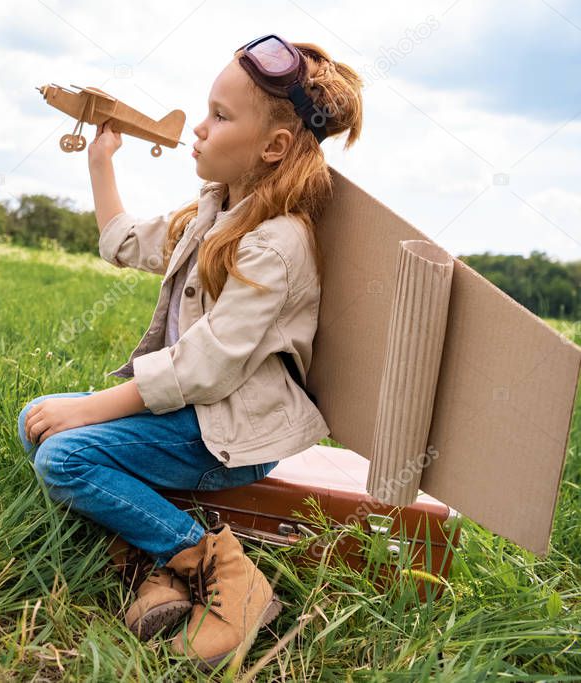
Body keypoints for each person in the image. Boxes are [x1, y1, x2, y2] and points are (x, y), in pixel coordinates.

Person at [18, 35, 364, 672]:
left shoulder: (277, 244)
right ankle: (158, 571)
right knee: (35, 417)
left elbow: (204, 367)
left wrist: (94, 408)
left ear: (274, 147)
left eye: (220, 116)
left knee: (64, 455)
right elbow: (123, 242)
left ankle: (225, 574)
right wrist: (102, 160)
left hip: (228, 436)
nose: (199, 130)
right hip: (191, 420)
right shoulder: (214, 212)